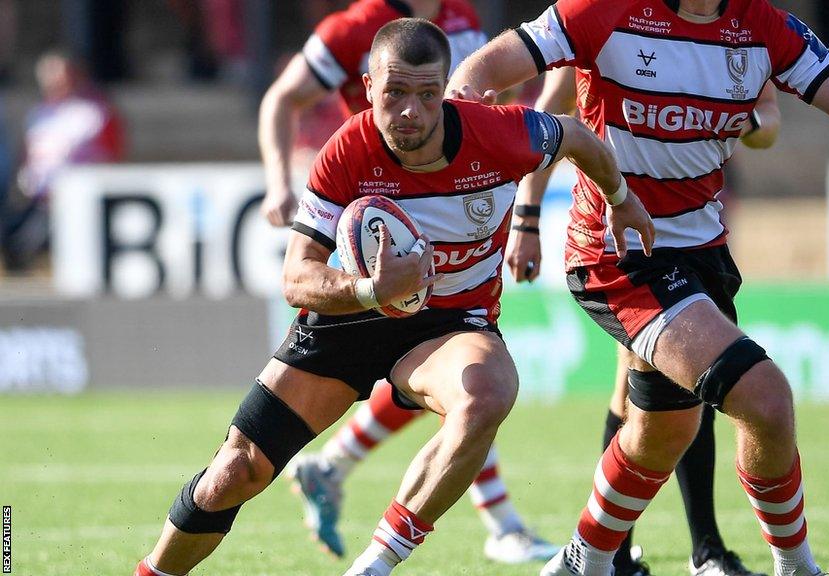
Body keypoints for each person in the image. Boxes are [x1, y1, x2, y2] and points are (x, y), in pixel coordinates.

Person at [448, 1, 829, 575]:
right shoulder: (604, 9)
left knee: (662, 431)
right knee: (764, 399)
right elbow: (486, 71)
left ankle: (583, 562)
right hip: (620, 253)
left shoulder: (764, 26)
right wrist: (463, 123)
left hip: (704, 252)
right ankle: (793, 567)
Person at [133, 18, 655, 576]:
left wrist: (619, 196)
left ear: (446, 89)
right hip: (350, 318)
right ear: (368, 85)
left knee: (488, 392)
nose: (411, 111)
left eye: (429, 94)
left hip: (450, 324)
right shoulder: (347, 150)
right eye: (395, 93)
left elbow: (575, 137)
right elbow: (296, 278)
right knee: (233, 475)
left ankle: (375, 566)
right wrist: (370, 290)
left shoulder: (499, 133)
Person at [258, 0, 558, 563]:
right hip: (379, 218)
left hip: (450, 206)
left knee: (458, 379)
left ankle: (336, 464)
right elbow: (283, 98)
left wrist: (522, 213)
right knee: (463, 381)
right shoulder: (353, 28)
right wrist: (277, 181)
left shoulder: (462, 18)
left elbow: (503, 114)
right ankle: (501, 522)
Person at [508, 65, 782, 576]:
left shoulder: (721, 33)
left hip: (692, 236)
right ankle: (690, 552)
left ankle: (627, 555)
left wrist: (738, 123)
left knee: (646, 393)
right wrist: (526, 216)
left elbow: (768, 120)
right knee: (680, 383)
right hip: (621, 249)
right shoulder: (598, 27)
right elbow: (547, 117)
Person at [4, 51, 124, 273]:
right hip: (36, 198)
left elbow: (109, 156)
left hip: (72, 199)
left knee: (30, 242)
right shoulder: (38, 115)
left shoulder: (92, 113)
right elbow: (29, 156)